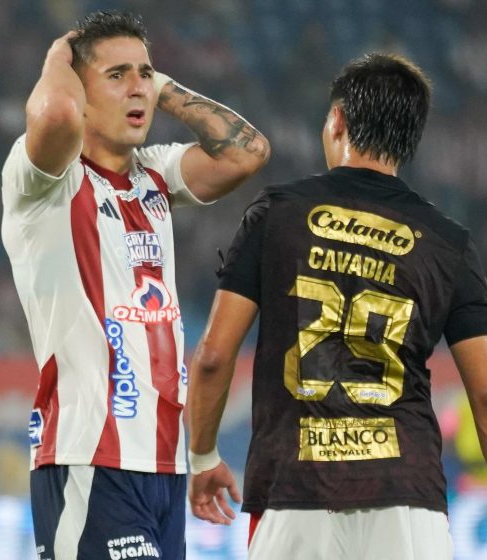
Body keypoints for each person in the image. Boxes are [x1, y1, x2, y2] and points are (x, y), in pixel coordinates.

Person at [187, 52, 487, 560]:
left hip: (294, 494)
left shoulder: (276, 214)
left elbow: (214, 356)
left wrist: (203, 458)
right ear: (410, 139)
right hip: (408, 500)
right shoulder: (448, 243)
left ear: (338, 120)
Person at [1, 11, 269, 558]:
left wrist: (158, 85)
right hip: (87, 458)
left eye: (144, 72)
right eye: (116, 75)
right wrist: (59, 56)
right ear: (78, 90)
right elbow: (54, 112)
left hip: (165, 467)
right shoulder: (45, 180)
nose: (137, 87)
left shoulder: (154, 174)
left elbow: (248, 152)